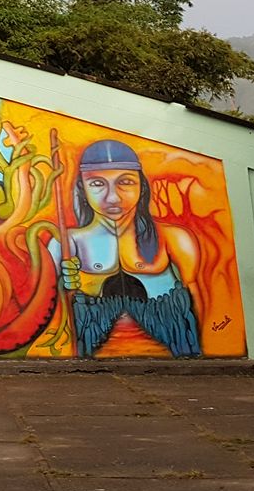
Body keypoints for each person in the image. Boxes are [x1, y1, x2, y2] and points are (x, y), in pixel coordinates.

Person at [60, 139, 202, 357]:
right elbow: (54, 315)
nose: (113, 197)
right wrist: (65, 285)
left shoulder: (173, 238)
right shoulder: (68, 244)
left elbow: (196, 301)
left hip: (170, 350)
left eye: (125, 182)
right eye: (97, 184)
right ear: (82, 189)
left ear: (142, 187)